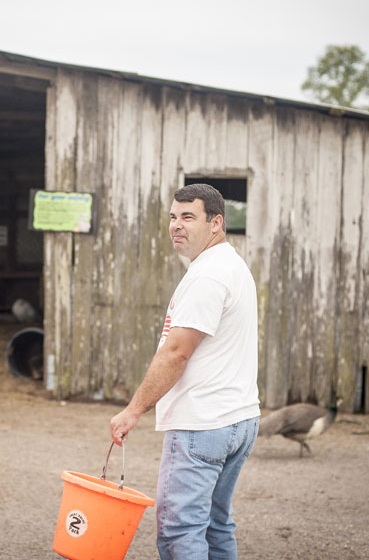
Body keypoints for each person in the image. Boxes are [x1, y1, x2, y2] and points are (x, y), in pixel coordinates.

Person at [109, 183, 260, 560]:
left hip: (203, 424)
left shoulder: (208, 275)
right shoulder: (230, 264)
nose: (177, 226)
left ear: (216, 223)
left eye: (188, 217)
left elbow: (176, 353)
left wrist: (134, 410)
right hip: (237, 418)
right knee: (214, 523)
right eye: (173, 217)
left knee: (181, 529)